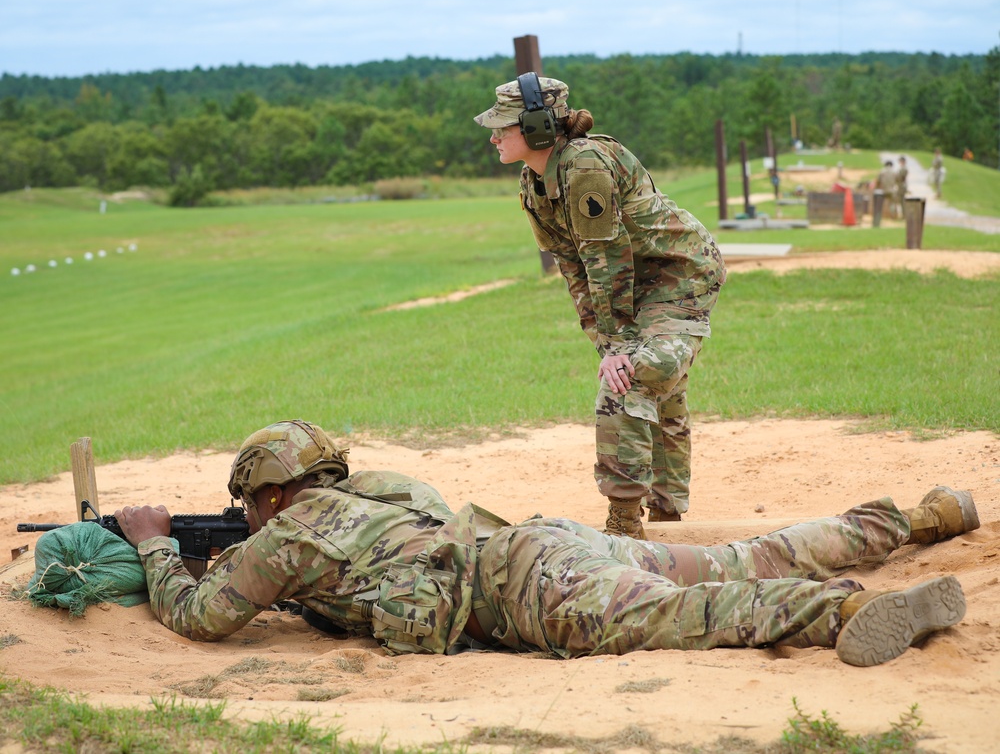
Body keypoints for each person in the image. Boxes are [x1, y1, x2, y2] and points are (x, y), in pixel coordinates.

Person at [116, 419, 978, 667]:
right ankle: (922, 518)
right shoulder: (387, 491)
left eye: (254, 506)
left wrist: (156, 543)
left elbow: (200, 616)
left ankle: (851, 610)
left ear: (269, 496)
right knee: (746, 555)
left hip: (534, 592)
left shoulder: (286, 537)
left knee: (696, 613)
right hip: (547, 543)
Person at [472, 75, 726, 539]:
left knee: (635, 376)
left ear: (536, 128)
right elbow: (574, 268)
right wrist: (607, 342)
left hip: (677, 275)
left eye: (503, 127)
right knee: (640, 375)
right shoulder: (535, 182)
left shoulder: (585, 166)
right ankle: (669, 515)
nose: (493, 137)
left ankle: (627, 525)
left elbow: (605, 258)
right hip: (633, 282)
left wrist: (620, 347)